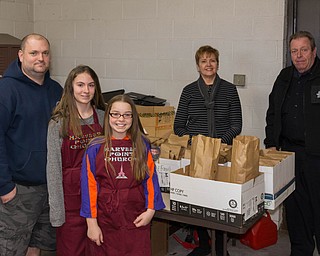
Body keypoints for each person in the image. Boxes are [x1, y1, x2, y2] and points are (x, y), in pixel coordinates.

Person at [174, 45, 242, 256]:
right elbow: (178, 126)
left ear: (217, 64)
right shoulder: (188, 91)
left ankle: (220, 248)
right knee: (199, 201)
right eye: (204, 61)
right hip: (197, 155)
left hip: (223, 153)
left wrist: (220, 143)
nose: (208, 64)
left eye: (212, 60)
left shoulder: (230, 90)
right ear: (198, 66)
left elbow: (237, 124)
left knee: (220, 204)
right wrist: (200, 143)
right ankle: (204, 244)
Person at [0, 33, 63, 256]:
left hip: (49, 187)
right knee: (11, 248)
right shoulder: (6, 90)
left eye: (45, 53)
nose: (40, 58)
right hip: (18, 190)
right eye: (34, 53)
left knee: (36, 246)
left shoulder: (56, 90)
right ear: (20, 55)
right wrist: (4, 186)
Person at [80, 94, 165, 255]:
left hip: (136, 216)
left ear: (133, 117)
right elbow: (88, 187)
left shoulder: (141, 144)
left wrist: (151, 210)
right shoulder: (95, 147)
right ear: (108, 116)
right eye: (116, 114)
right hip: (105, 218)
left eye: (127, 115)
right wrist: (91, 224)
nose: (121, 119)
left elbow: (150, 179)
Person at [264, 30, 320, 256]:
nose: (299, 56)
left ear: (314, 51)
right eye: (294, 51)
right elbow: (273, 112)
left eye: (304, 50)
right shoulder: (284, 76)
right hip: (289, 155)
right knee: (296, 211)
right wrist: (270, 143)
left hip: (317, 158)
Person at [46, 65, 106, 255]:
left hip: (100, 201)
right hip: (70, 205)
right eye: (80, 85)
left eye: (90, 85)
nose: (86, 90)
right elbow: (53, 169)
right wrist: (57, 214)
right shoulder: (58, 123)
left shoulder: (104, 119)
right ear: (70, 87)